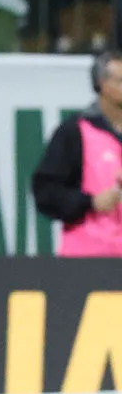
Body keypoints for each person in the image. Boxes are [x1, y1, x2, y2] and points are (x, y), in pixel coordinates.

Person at [32, 51, 122, 256]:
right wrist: (90, 202)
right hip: (87, 260)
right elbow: (46, 192)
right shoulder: (75, 132)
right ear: (102, 85)